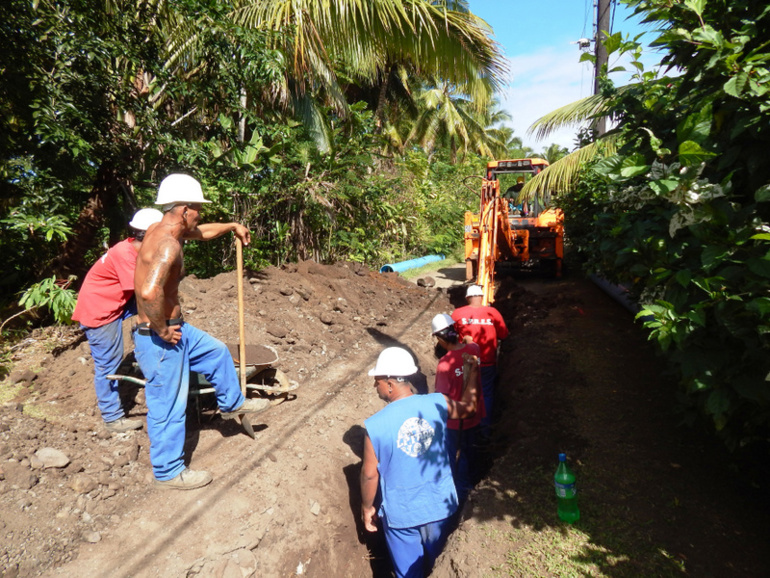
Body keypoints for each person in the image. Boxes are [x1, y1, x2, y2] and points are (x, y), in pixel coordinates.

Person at [133, 173, 270, 490]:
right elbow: (149, 293)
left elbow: (203, 232)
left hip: (175, 328)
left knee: (216, 352)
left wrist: (232, 226)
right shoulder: (167, 245)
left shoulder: (167, 230)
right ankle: (168, 472)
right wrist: (164, 330)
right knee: (168, 405)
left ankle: (232, 403)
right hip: (158, 335)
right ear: (183, 209)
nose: (200, 214)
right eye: (197, 208)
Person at [361, 347, 478, 578]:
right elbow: (470, 408)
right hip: (440, 507)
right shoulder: (437, 402)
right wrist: (472, 372)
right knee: (441, 567)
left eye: (378, 381)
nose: (376, 386)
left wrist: (367, 508)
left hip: (401, 516)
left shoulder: (374, 426)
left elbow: (369, 475)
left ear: (390, 383)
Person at [72, 208, 164, 433]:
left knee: (151, 314)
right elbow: (142, 291)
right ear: (151, 235)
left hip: (115, 303)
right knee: (108, 363)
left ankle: (146, 338)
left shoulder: (132, 248)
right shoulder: (125, 254)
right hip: (100, 311)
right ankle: (112, 418)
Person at [431, 313, 483, 503]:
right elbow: (470, 341)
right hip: (474, 415)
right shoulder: (474, 350)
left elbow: (442, 399)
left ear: (440, 339)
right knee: (471, 450)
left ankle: (459, 493)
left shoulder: (444, 365)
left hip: (454, 422)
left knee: (456, 458)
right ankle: (474, 482)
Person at [451, 285, 509, 437]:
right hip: (487, 362)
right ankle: (484, 429)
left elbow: (450, 338)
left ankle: (465, 428)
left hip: (466, 363)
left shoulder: (457, 313)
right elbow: (504, 334)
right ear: (482, 297)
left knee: (466, 393)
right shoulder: (493, 312)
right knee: (487, 394)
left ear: (467, 298)